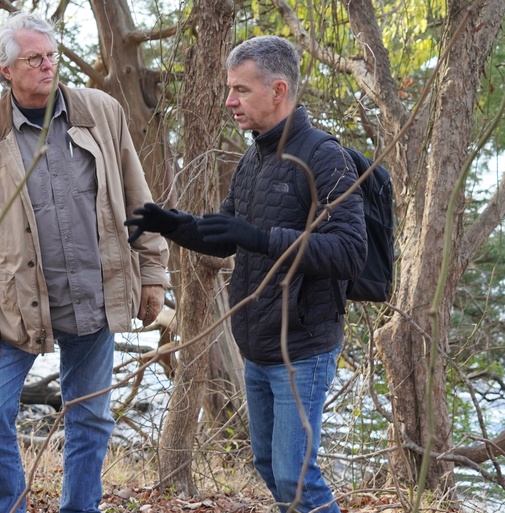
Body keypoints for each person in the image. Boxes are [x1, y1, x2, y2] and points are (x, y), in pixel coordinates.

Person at [124, 35, 366, 513]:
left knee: (297, 481)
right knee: (266, 464)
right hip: (256, 345)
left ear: (278, 90)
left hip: (302, 350)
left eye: (241, 90)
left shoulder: (324, 157)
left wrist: (259, 236)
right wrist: (172, 224)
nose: (229, 101)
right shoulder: (255, 156)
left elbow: (350, 252)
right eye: (229, 89)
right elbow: (228, 232)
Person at [0, 12, 170, 513]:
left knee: (90, 418)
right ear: (5, 70)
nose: (49, 66)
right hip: (15, 307)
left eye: (51, 55)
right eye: (34, 59)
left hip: (96, 293)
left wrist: (153, 272)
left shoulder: (101, 111)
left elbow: (139, 197)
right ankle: (8, 505)